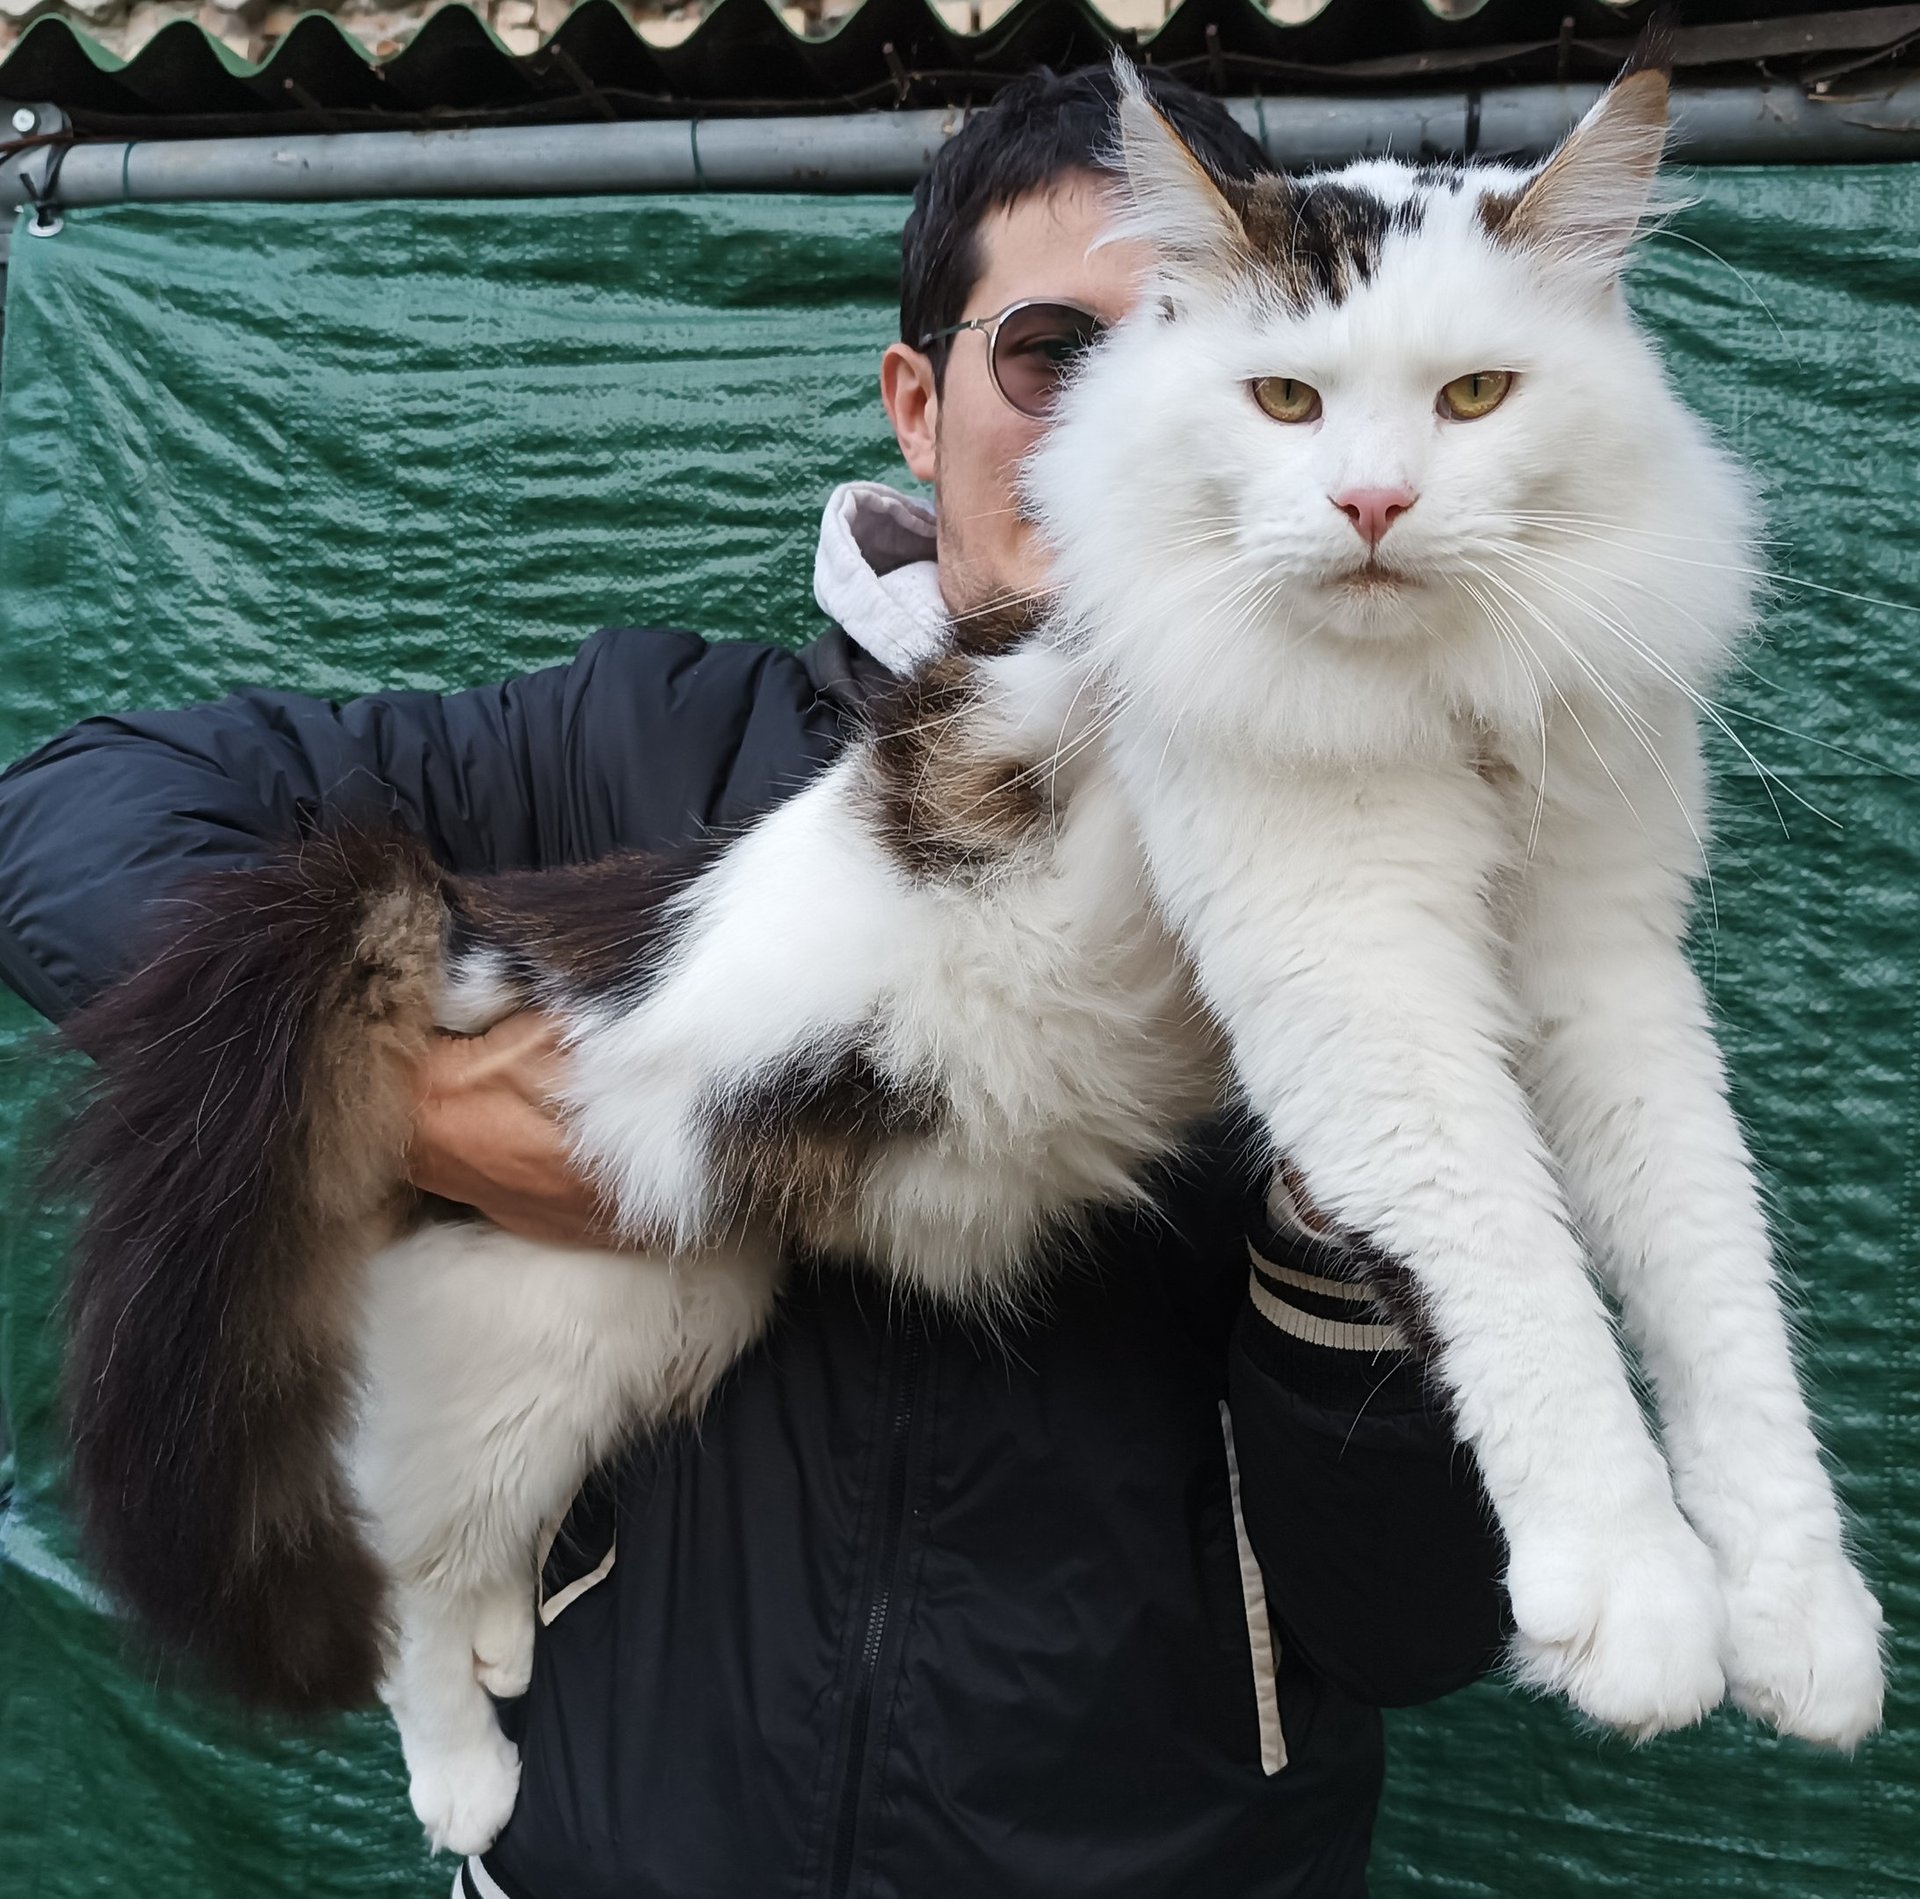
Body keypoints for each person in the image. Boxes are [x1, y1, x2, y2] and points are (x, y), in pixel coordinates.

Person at [0, 64, 1506, 1899]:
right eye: (1051, 352)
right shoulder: (640, 743)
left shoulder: (1389, 846)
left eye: (1198, 344)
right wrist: (394, 1092)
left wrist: (1356, 1176)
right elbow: (73, 807)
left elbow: (1417, 1620)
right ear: (917, 398)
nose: (1125, 415)